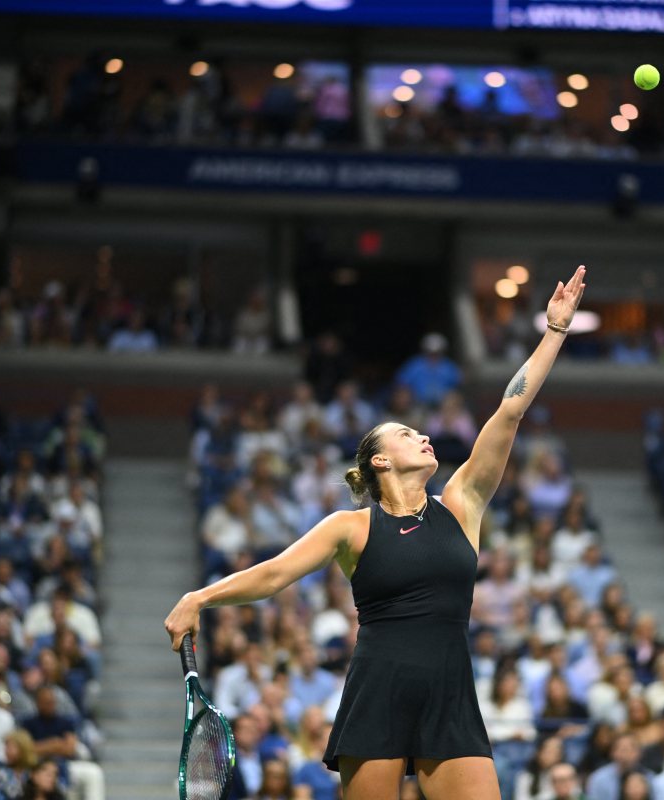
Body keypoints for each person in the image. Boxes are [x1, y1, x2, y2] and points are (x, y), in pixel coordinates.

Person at [166, 266, 589, 800]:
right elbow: (274, 575)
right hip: (378, 692)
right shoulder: (351, 527)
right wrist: (199, 597)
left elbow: (510, 410)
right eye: (409, 434)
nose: (425, 436)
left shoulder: (462, 503)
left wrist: (554, 331)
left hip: (450, 694)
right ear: (381, 459)